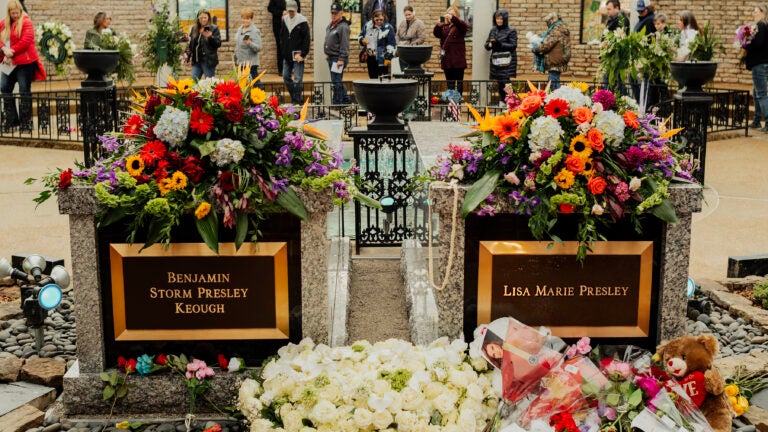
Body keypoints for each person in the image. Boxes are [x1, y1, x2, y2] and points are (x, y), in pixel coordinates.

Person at [0, 0, 45, 132]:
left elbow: (26, 41)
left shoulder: (26, 22)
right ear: (9, 13)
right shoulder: (3, 23)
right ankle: (12, 121)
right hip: (9, 64)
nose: (15, 15)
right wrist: (3, 49)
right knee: (4, 88)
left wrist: (10, 52)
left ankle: (26, 123)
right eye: (13, 13)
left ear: (20, 11)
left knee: (24, 91)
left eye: (17, 13)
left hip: (25, 63)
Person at [280, 0, 310, 105]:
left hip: (298, 55)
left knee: (298, 79)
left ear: (296, 9)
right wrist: (283, 51)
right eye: (289, 11)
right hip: (287, 55)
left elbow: (306, 39)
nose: (291, 13)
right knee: (285, 77)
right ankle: (296, 97)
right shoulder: (285, 20)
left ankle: (296, 101)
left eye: (292, 11)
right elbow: (282, 37)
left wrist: (302, 54)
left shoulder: (302, 21)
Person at [484, 9, 517, 105]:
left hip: (507, 60)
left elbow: (513, 45)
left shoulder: (511, 30)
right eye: (497, 18)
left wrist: (499, 44)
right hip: (496, 60)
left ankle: (511, 101)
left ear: (505, 19)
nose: (499, 21)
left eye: (501, 19)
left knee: (506, 80)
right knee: (499, 80)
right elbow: (486, 45)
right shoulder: (493, 30)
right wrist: (490, 44)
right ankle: (502, 101)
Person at [434, 6, 468, 96]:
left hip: (458, 60)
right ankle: (451, 105)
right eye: (448, 14)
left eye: (452, 14)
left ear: (457, 15)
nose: (450, 16)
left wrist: (453, 18)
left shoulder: (460, 26)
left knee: (459, 84)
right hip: (447, 59)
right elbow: (436, 34)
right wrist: (438, 25)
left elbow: (463, 26)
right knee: (450, 84)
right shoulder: (444, 27)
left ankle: (457, 105)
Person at [532, 12, 570, 91]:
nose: (547, 24)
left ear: (552, 20)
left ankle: (556, 101)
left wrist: (535, 49)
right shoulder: (561, 28)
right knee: (554, 81)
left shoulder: (556, 30)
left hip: (555, 62)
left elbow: (546, 45)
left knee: (553, 85)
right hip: (559, 59)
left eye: (548, 21)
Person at [745, 4, 768, 133]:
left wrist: (746, 43)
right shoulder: (765, 26)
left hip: (759, 64)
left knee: (761, 94)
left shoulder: (760, 26)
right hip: (764, 63)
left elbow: (757, 44)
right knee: (756, 92)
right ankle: (757, 120)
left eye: (755, 12)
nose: (754, 14)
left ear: (762, 12)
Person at [325, 2, 351, 105]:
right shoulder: (331, 25)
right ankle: (346, 100)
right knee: (336, 80)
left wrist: (341, 59)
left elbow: (344, 44)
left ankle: (338, 103)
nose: (333, 15)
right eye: (332, 13)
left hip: (338, 58)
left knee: (336, 81)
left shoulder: (343, 26)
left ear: (341, 13)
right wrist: (328, 53)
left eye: (336, 13)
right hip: (332, 57)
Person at [601, 0, 629, 93]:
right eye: (607, 9)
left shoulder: (621, 20)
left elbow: (620, 39)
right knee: (613, 82)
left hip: (615, 58)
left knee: (613, 82)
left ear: (617, 8)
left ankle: (620, 101)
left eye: (609, 9)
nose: (607, 11)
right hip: (611, 57)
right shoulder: (613, 19)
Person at [359, 9, 396, 78]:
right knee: (372, 78)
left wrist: (388, 57)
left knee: (384, 80)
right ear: (373, 19)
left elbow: (391, 44)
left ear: (384, 18)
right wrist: (362, 40)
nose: (379, 21)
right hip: (370, 56)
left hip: (383, 58)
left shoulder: (388, 28)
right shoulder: (367, 26)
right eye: (377, 20)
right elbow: (361, 36)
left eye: (381, 20)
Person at [185, 10, 222, 80]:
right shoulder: (194, 28)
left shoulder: (214, 28)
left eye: (205, 17)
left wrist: (210, 37)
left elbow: (218, 44)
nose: (203, 19)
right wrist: (187, 58)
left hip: (208, 62)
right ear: (198, 18)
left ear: (208, 18)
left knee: (209, 84)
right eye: (201, 18)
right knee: (193, 83)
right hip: (196, 61)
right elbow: (190, 44)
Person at [268, 0, 300, 75]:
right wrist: (281, 13)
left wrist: (290, 14)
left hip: (292, 25)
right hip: (279, 26)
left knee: (292, 46)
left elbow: (298, 10)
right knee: (280, 46)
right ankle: (281, 70)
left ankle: (291, 69)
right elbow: (270, 8)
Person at [234, 7, 263, 85]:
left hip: (251, 65)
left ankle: (263, 97)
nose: (245, 20)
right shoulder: (240, 29)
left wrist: (249, 43)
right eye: (243, 18)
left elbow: (259, 48)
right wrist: (235, 58)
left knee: (256, 85)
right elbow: (238, 46)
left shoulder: (255, 31)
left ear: (251, 19)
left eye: (247, 18)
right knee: (244, 87)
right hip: (241, 63)